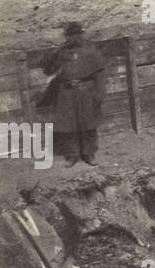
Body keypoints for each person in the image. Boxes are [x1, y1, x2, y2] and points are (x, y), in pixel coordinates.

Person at [41, 21, 107, 166]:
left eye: (76, 35)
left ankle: (89, 154)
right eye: (70, 36)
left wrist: (99, 94)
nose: (73, 38)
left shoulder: (91, 50)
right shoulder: (62, 52)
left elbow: (100, 74)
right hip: (66, 92)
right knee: (69, 126)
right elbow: (48, 70)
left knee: (89, 125)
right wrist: (54, 53)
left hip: (86, 91)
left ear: (81, 35)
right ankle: (73, 155)